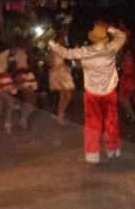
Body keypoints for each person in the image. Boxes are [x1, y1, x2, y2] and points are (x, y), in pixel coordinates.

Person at [49, 23, 126, 163]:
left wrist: (52, 44)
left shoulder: (85, 51)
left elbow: (65, 54)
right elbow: (122, 36)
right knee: (111, 122)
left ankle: (92, 154)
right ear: (105, 38)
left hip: (92, 94)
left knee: (92, 124)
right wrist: (109, 28)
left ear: (93, 38)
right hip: (109, 93)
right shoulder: (112, 48)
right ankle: (113, 150)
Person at [48, 33, 75, 126]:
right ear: (59, 40)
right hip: (60, 71)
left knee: (63, 95)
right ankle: (60, 115)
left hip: (59, 71)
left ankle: (59, 115)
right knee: (68, 95)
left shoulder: (56, 48)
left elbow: (50, 62)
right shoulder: (56, 48)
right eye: (63, 39)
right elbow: (50, 62)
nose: (64, 40)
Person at [13, 42, 38, 130]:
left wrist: (30, 51)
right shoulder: (16, 50)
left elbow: (31, 63)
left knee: (32, 99)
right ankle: (23, 121)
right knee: (29, 99)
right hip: (21, 74)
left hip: (27, 74)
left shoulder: (25, 51)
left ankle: (20, 110)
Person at [118, 45, 135, 124]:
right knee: (123, 99)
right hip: (126, 79)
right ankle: (130, 114)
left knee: (123, 98)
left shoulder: (128, 58)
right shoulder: (127, 58)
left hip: (128, 79)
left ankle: (132, 116)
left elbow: (130, 70)